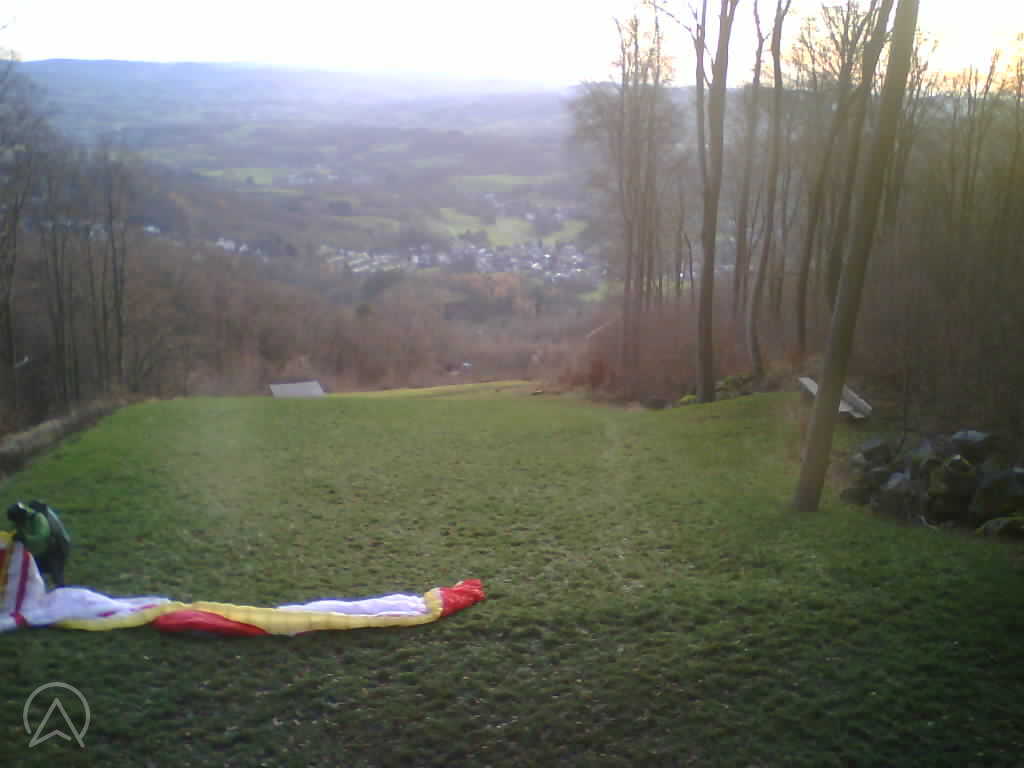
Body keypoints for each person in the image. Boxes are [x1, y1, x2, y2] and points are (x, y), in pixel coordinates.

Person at [6, 500, 71, 588]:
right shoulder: (21, 522)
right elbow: (15, 532)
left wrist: (25, 538)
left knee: (56, 576)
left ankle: (62, 591)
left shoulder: (38, 518)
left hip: (53, 551)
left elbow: (41, 537)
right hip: (38, 553)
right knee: (36, 577)